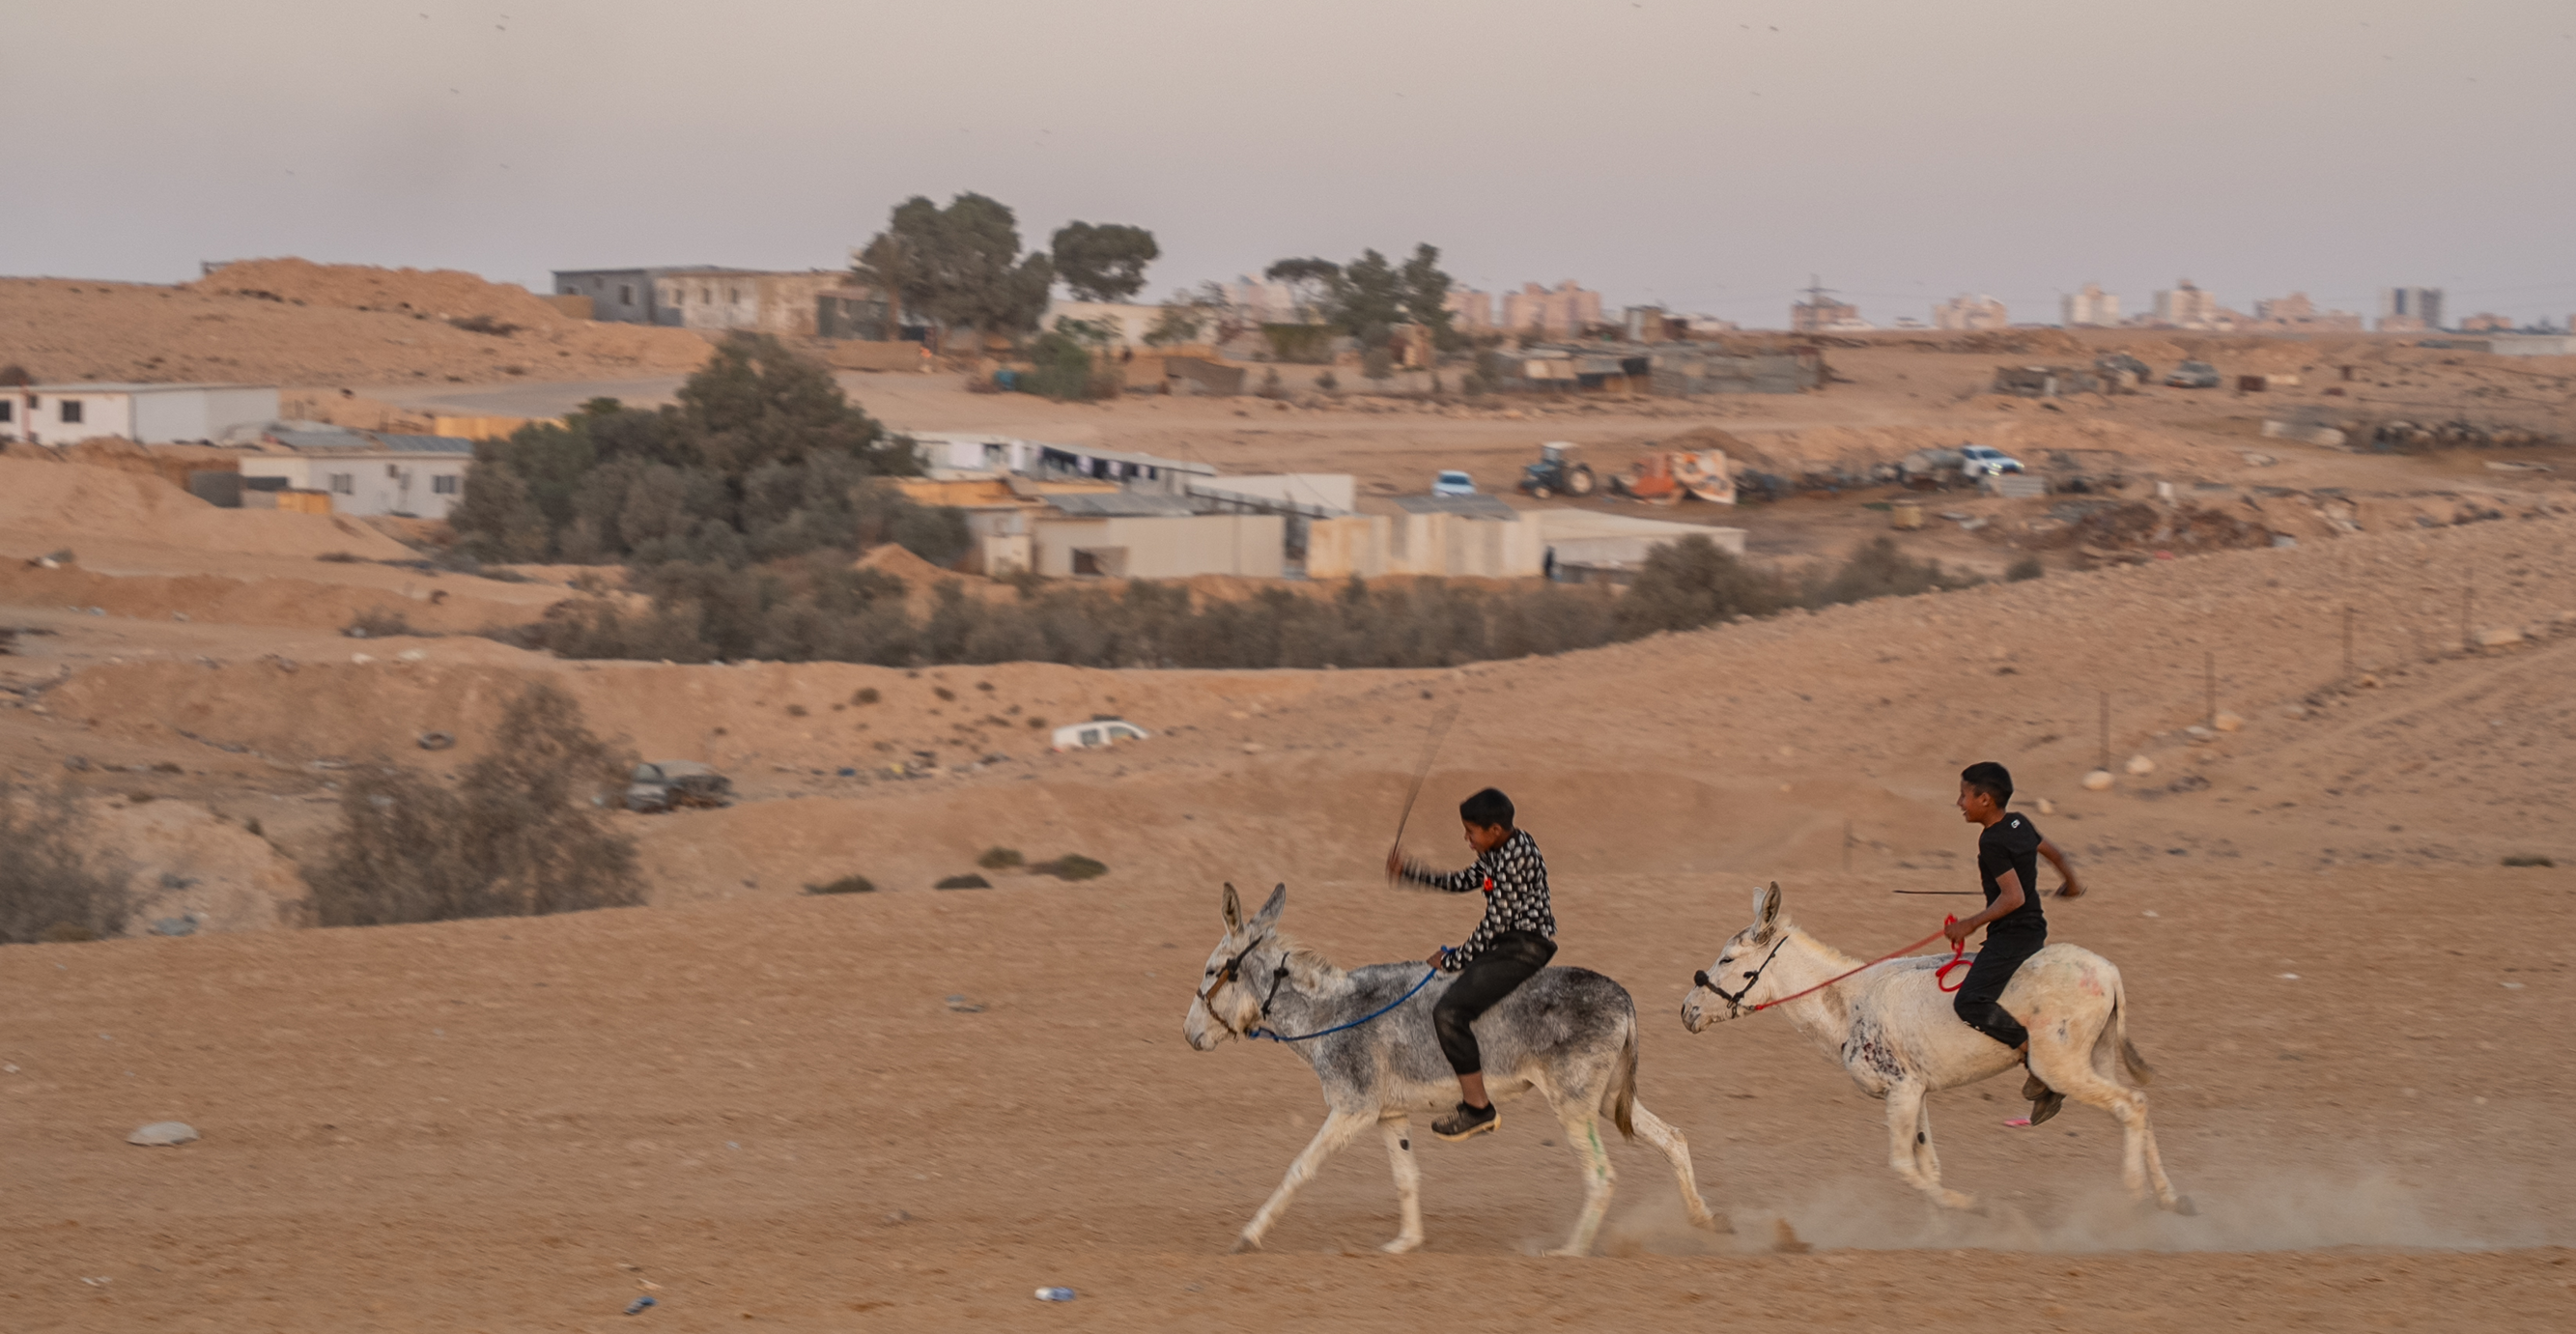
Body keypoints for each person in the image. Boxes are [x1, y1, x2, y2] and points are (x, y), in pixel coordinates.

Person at [1386, 787, 1556, 1142]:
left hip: (1523, 947)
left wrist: (1452, 960)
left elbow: (1494, 924)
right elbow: (1463, 881)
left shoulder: (1515, 859)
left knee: (1448, 1012)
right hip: (1506, 944)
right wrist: (1411, 873)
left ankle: (1478, 1108)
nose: (1466, 838)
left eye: (1471, 832)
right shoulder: (1498, 849)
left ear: (1494, 830)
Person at [1942, 761, 2085, 1123]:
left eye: (1964, 795)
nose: (1959, 802)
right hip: (2034, 930)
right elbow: (2055, 853)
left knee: (1970, 1003)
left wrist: (1969, 925)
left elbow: (2013, 898)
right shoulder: (2018, 822)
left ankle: (2035, 1059)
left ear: (1985, 800)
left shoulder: (1990, 841)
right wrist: (2071, 884)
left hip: (2014, 936)